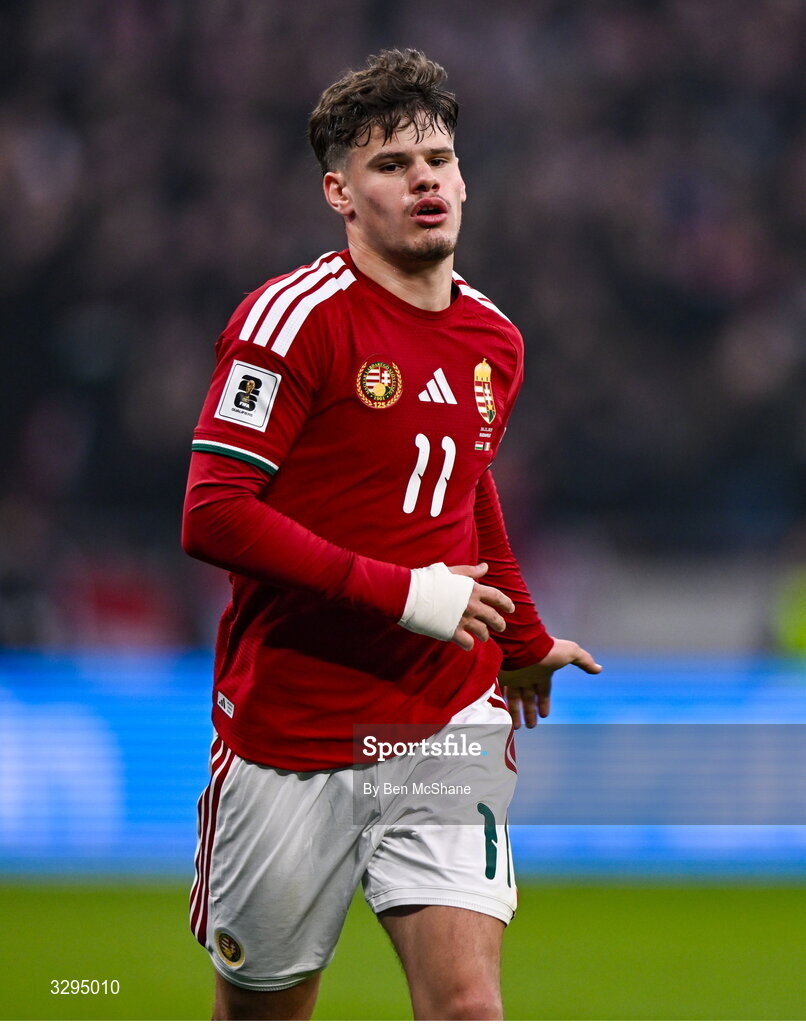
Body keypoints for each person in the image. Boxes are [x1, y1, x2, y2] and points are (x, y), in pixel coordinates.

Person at [182, 48, 600, 1021]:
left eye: (438, 158)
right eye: (390, 163)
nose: (423, 179)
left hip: (442, 717)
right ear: (338, 190)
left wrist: (523, 640)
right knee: (266, 1009)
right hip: (293, 730)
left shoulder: (494, 339)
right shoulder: (289, 323)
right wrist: (408, 593)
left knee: (465, 1006)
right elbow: (213, 512)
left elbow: (469, 484)